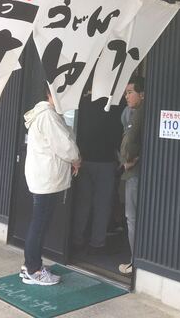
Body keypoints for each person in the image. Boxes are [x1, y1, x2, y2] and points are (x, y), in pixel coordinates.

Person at [21, 86, 81, 285]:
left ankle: (29, 266)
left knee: (39, 223)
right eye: (59, 92)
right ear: (49, 94)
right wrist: (76, 159)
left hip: (43, 177)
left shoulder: (46, 113)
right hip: (47, 179)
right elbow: (65, 145)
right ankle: (34, 269)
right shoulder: (48, 115)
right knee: (40, 225)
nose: (63, 97)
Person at [73, 89, 122, 253]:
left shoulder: (84, 103)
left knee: (83, 202)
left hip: (84, 159)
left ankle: (77, 238)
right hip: (106, 161)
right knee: (103, 204)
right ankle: (97, 242)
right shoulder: (114, 105)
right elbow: (117, 135)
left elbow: (77, 130)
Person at [118, 76, 145, 276]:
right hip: (136, 171)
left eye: (130, 92)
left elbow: (129, 142)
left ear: (142, 94)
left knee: (132, 217)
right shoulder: (131, 112)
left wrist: (126, 160)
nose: (126, 96)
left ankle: (134, 261)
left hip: (134, 172)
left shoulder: (139, 113)